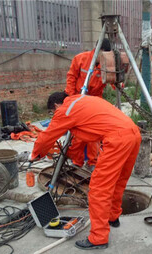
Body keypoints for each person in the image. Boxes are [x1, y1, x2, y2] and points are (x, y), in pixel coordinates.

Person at [31, 92, 141, 250]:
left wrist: (36, 154)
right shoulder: (84, 101)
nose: (54, 115)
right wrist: (75, 158)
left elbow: (48, 135)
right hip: (133, 133)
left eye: (52, 112)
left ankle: (98, 238)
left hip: (116, 140)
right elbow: (79, 138)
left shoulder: (65, 110)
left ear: (56, 105)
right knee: (118, 181)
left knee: (98, 189)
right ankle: (112, 217)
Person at [64, 38, 112, 169]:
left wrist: (119, 83)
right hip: (80, 99)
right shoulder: (80, 59)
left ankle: (93, 162)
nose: (103, 58)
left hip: (96, 101)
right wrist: (70, 97)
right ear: (97, 50)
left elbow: (113, 79)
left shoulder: (106, 64)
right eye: (102, 54)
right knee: (78, 134)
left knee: (94, 134)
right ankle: (76, 161)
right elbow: (71, 77)